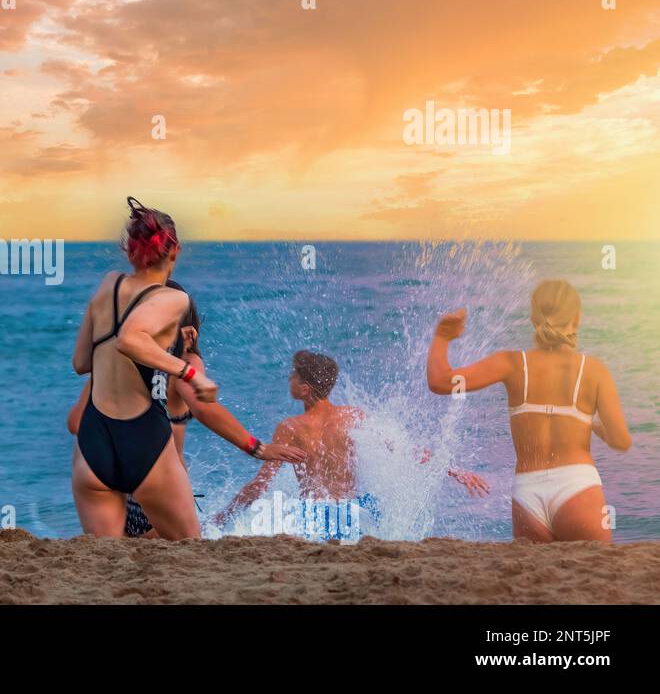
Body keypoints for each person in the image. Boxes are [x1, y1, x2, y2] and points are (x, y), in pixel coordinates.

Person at [67, 283, 305, 537]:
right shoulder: (183, 362)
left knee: (116, 560)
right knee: (182, 550)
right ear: (188, 333)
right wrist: (259, 448)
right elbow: (204, 409)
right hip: (157, 482)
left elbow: (75, 422)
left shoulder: (115, 361)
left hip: (106, 478)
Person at [427, 279, 630, 542]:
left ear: (534, 319)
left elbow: (440, 382)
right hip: (579, 489)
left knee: (539, 583)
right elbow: (621, 441)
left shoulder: (511, 363)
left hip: (528, 496)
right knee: (600, 579)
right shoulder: (593, 370)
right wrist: (592, 424)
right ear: (576, 318)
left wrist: (442, 337)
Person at [69, 197, 218, 540]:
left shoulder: (108, 284)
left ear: (129, 251)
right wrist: (191, 373)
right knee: (192, 552)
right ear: (174, 250)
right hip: (142, 440)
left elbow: (80, 363)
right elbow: (130, 339)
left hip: (94, 442)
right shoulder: (174, 299)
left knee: (108, 564)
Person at [220, 351, 486, 541]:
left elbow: (261, 484)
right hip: (357, 513)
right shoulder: (353, 416)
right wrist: (455, 472)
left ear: (304, 389)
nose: (288, 379)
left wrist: (223, 517)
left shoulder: (290, 428)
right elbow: (406, 450)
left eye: (293, 376)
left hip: (315, 517)